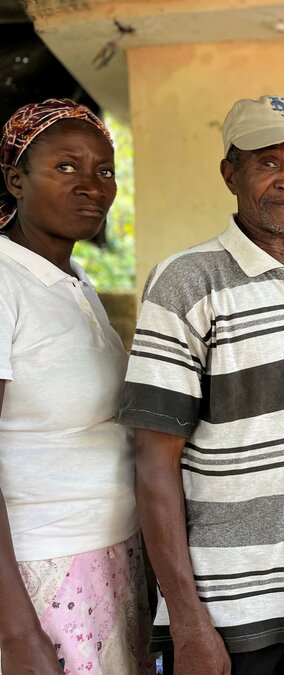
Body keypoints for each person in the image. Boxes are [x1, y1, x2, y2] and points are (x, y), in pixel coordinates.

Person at [117, 95, 284, 675]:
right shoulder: (185, 283)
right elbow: (154, 460)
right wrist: (186, 620)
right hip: (224, 610)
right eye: (268, 162)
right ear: (230, 172)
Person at [0, 99, 151, 674]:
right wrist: (16, 631)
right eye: (66, 167)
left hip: (111, 554)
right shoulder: (4, 280)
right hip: (42, 572)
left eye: (105, 170)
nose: (93, 186)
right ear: (16, 179)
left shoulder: (75, 281)